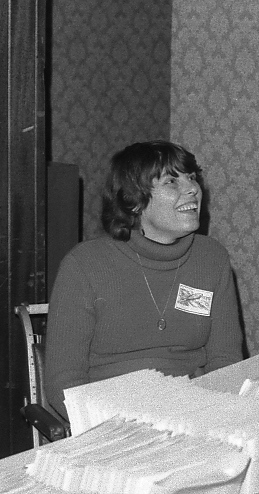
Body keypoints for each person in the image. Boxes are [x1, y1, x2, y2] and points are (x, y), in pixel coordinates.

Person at [45, 140, 245, 421]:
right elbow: (64, 383)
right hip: (111, 421)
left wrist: (206, 417)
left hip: (192, 415)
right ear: (135, 201)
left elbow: (226, 362)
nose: (193, 189)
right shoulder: (85, 265)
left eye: (191, 177)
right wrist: (120, 427)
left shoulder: (212, 259)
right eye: (172, 181)